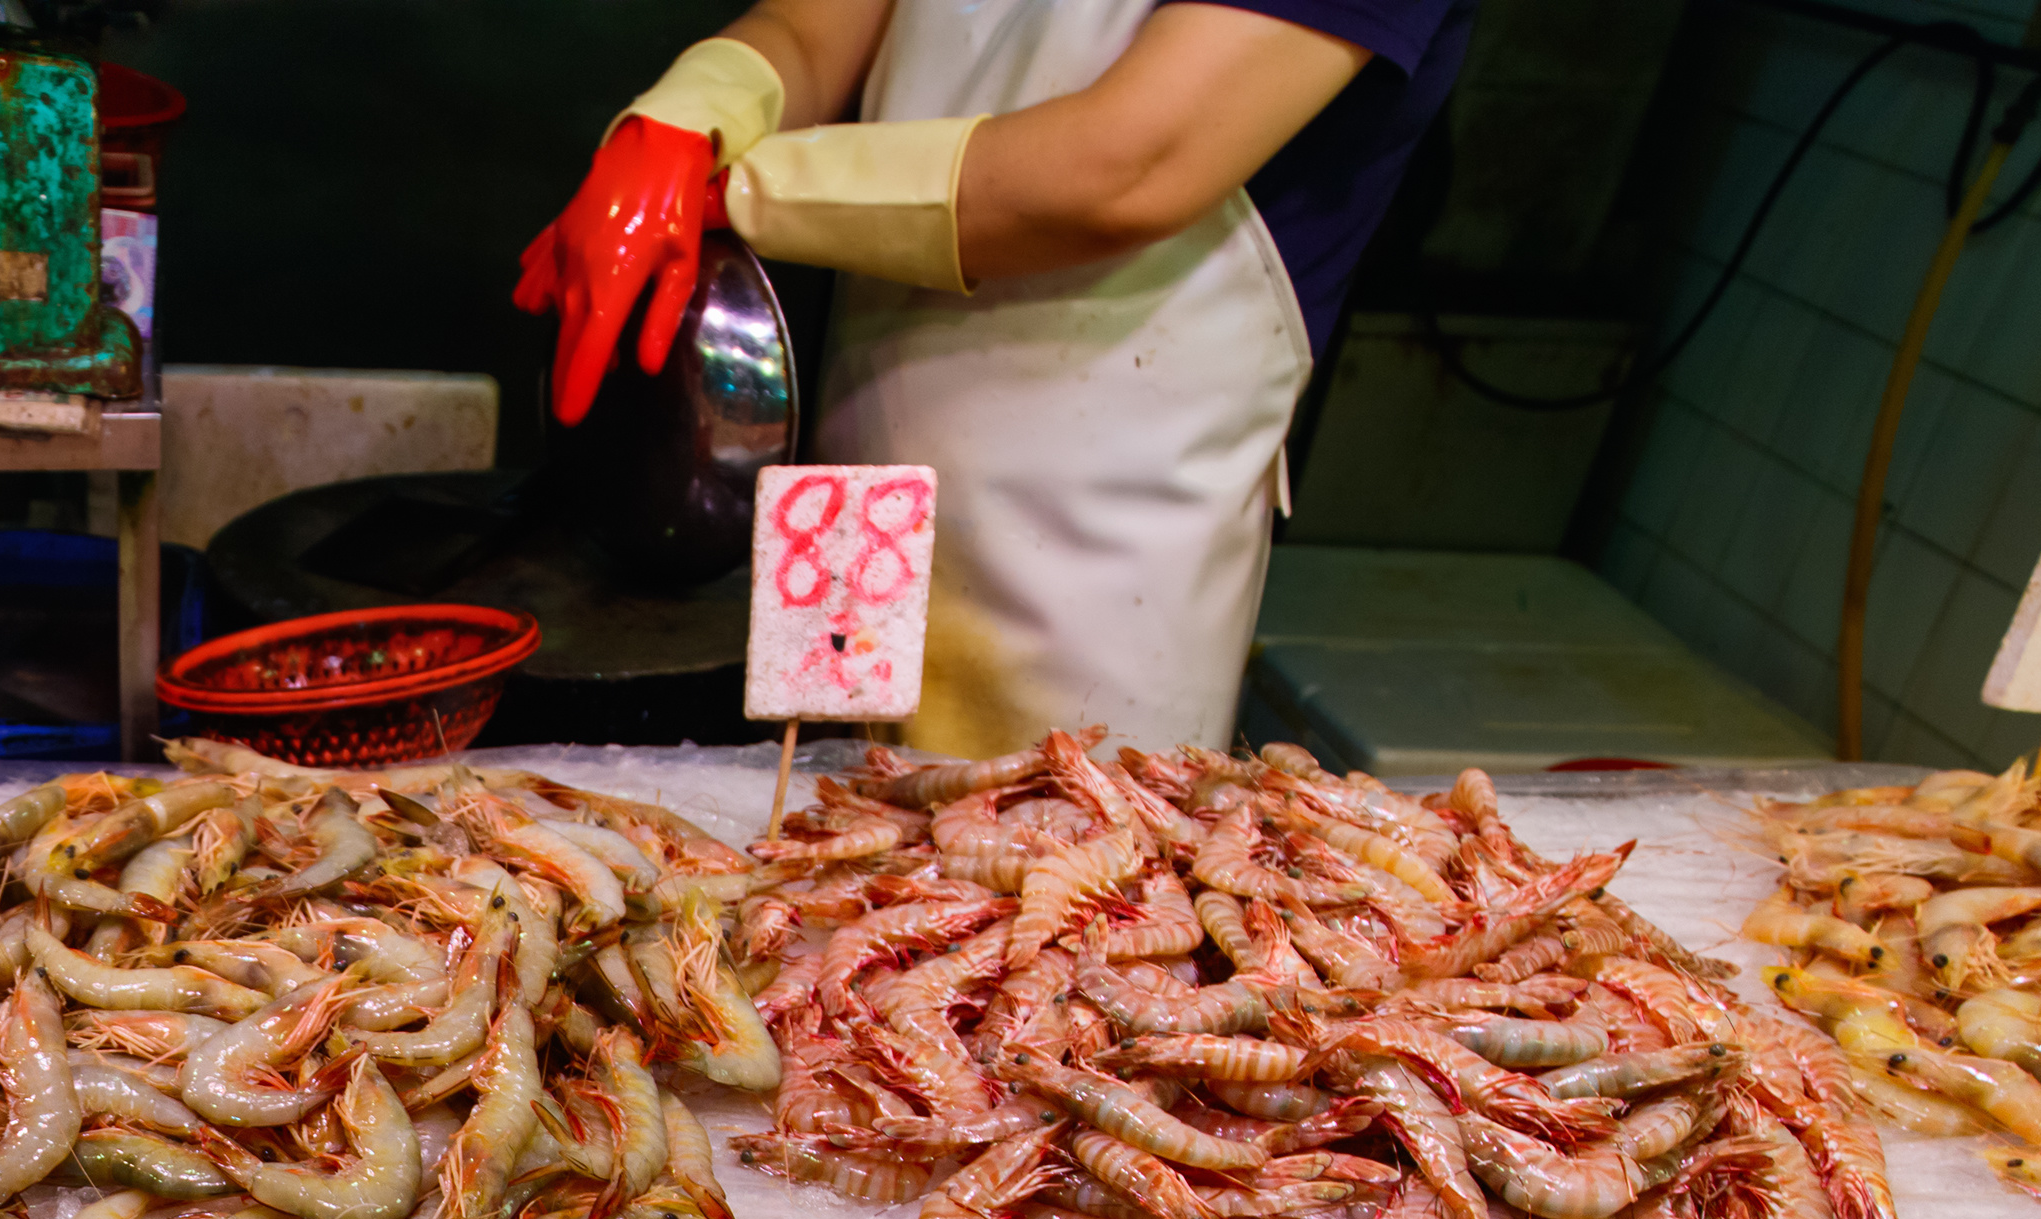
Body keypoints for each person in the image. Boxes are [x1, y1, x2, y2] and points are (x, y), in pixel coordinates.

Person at [517, 0, 1473, 752]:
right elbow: (812, 31)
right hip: (863, 500)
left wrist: (731, 189)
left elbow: (1129, 163)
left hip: (1093, 560)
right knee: (807, 867)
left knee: (1047, 934)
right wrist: (688, 118)